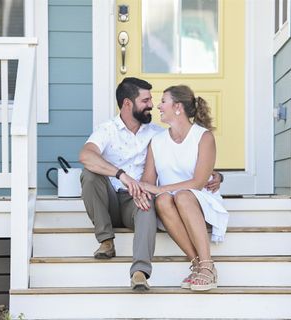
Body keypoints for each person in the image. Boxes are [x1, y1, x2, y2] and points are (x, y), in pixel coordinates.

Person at [79, 77, 223, 291]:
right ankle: (106, 240)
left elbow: (193, 165)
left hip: (154, 197)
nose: (153, 105)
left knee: (152, 202)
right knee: (91, 176)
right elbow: (86, 155)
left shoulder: (158, 133)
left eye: (158, 100)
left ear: (177, 107)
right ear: (128, 103)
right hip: (113, 196)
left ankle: (142, 272)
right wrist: (126, 178)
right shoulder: (109, 130)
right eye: (146, 100)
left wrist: (217, 176)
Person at [137, 85, 229, 291]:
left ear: (177, 107)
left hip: (199, 200)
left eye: (163, 102)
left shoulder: (203, 137)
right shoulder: (157, 141)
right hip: (169, 205)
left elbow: (198, 182)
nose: (158, 106)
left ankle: (208, 265)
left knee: (184, 196)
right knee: (163, 199)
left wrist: (161, 189)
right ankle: (196, 264)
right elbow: (148, 182)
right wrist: (149, 191)